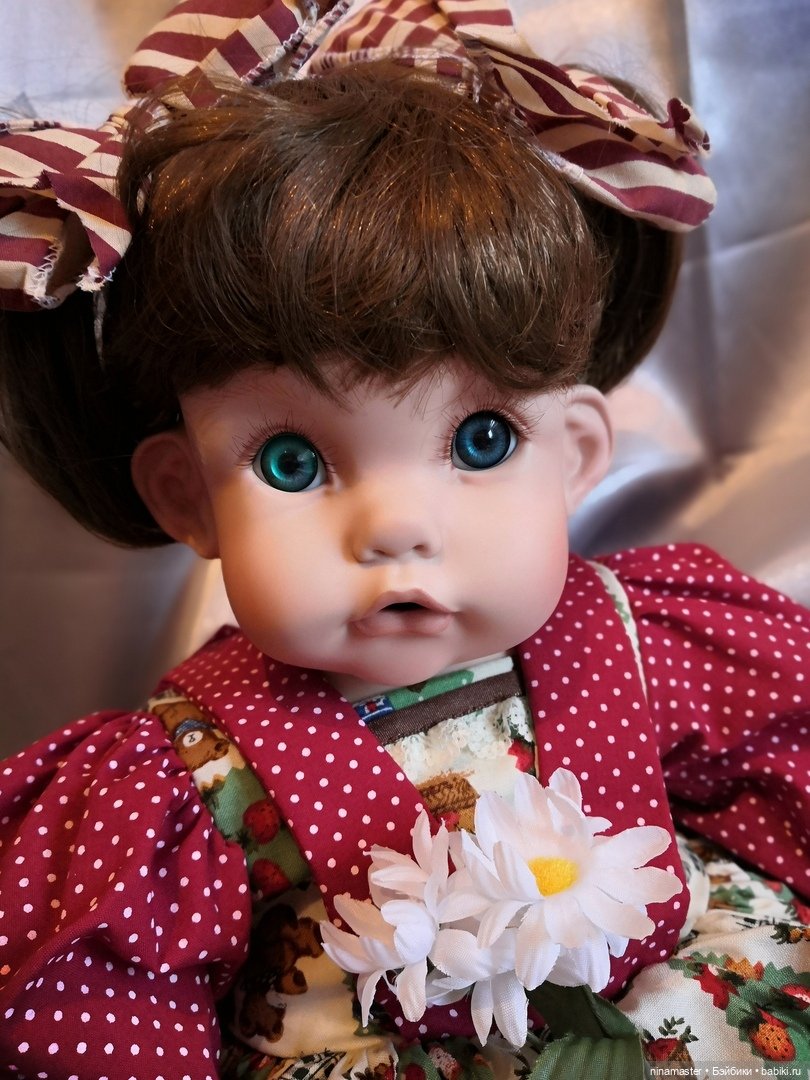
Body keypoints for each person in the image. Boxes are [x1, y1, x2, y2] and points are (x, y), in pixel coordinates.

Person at [0, 1, 808, 1077]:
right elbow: (105, 1010)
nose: (396, 527)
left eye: (482, 440)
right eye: (294, 462)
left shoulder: (653, 640)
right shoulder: (180, 779)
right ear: (186, 495)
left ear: (575, 452)